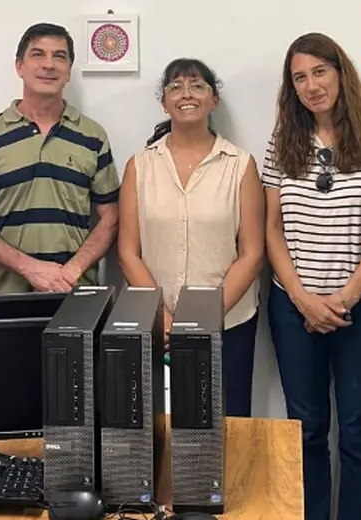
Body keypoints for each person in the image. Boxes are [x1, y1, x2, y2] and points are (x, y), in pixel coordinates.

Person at [261, 32, 361, 520]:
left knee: (360, 434)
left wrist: (344, 298)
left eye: (319, 72)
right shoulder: (282, 142)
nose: (311, 85)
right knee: (306, 433)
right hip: (294, 309)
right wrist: (302, 297)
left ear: (341, 73)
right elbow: (271, 229)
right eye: (299, 77)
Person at [117, 58, 264, 417]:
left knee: (228, 427)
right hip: (158, 326)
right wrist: (165, 319)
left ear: (213, 100)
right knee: (161, 432)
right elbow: (127, 253)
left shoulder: (240, 165)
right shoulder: (140, 165)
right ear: (164, 102)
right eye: (175, 87)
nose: (187, 94)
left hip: (229, 324)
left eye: (197, 86)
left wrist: (204, 318)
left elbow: (251, 253)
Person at [0, 23, 119, 294]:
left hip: (77, 293)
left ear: (68, 71)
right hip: (3, 297)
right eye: (38, 54)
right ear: (19, 66)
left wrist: (71, 271)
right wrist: (30, 268)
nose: (49, 64)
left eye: (59, 56)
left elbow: (110, 219)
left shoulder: (93, 136)